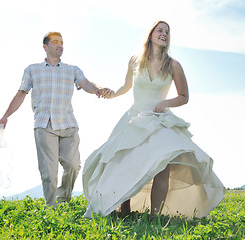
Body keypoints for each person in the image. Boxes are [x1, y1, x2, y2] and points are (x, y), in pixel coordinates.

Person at [82, 21, 225, 218]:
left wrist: (165, 103)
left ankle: (154, 216)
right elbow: (126, 87)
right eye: (160, 30)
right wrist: (112, 94)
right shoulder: (135, 61)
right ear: (151, 35)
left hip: (159, 121)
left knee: (163, 166)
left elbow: (184, 96)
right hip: (135, 119)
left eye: (167, 31)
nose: (164, 34)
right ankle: (124, 209)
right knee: (124, 162)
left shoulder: (174, 65)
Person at [0, 32, 113, 208]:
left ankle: (63, 197)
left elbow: (86, 83)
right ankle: (51, 207)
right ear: (45, 46)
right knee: (49, 172)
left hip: (68, 124)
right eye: (56, 42)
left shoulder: (72, 70)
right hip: (44, 125)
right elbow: (21, 94)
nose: (60, 45)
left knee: (73, 165)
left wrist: (98, 89)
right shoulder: (32, 70)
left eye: (62, 42)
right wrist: (5, 116)